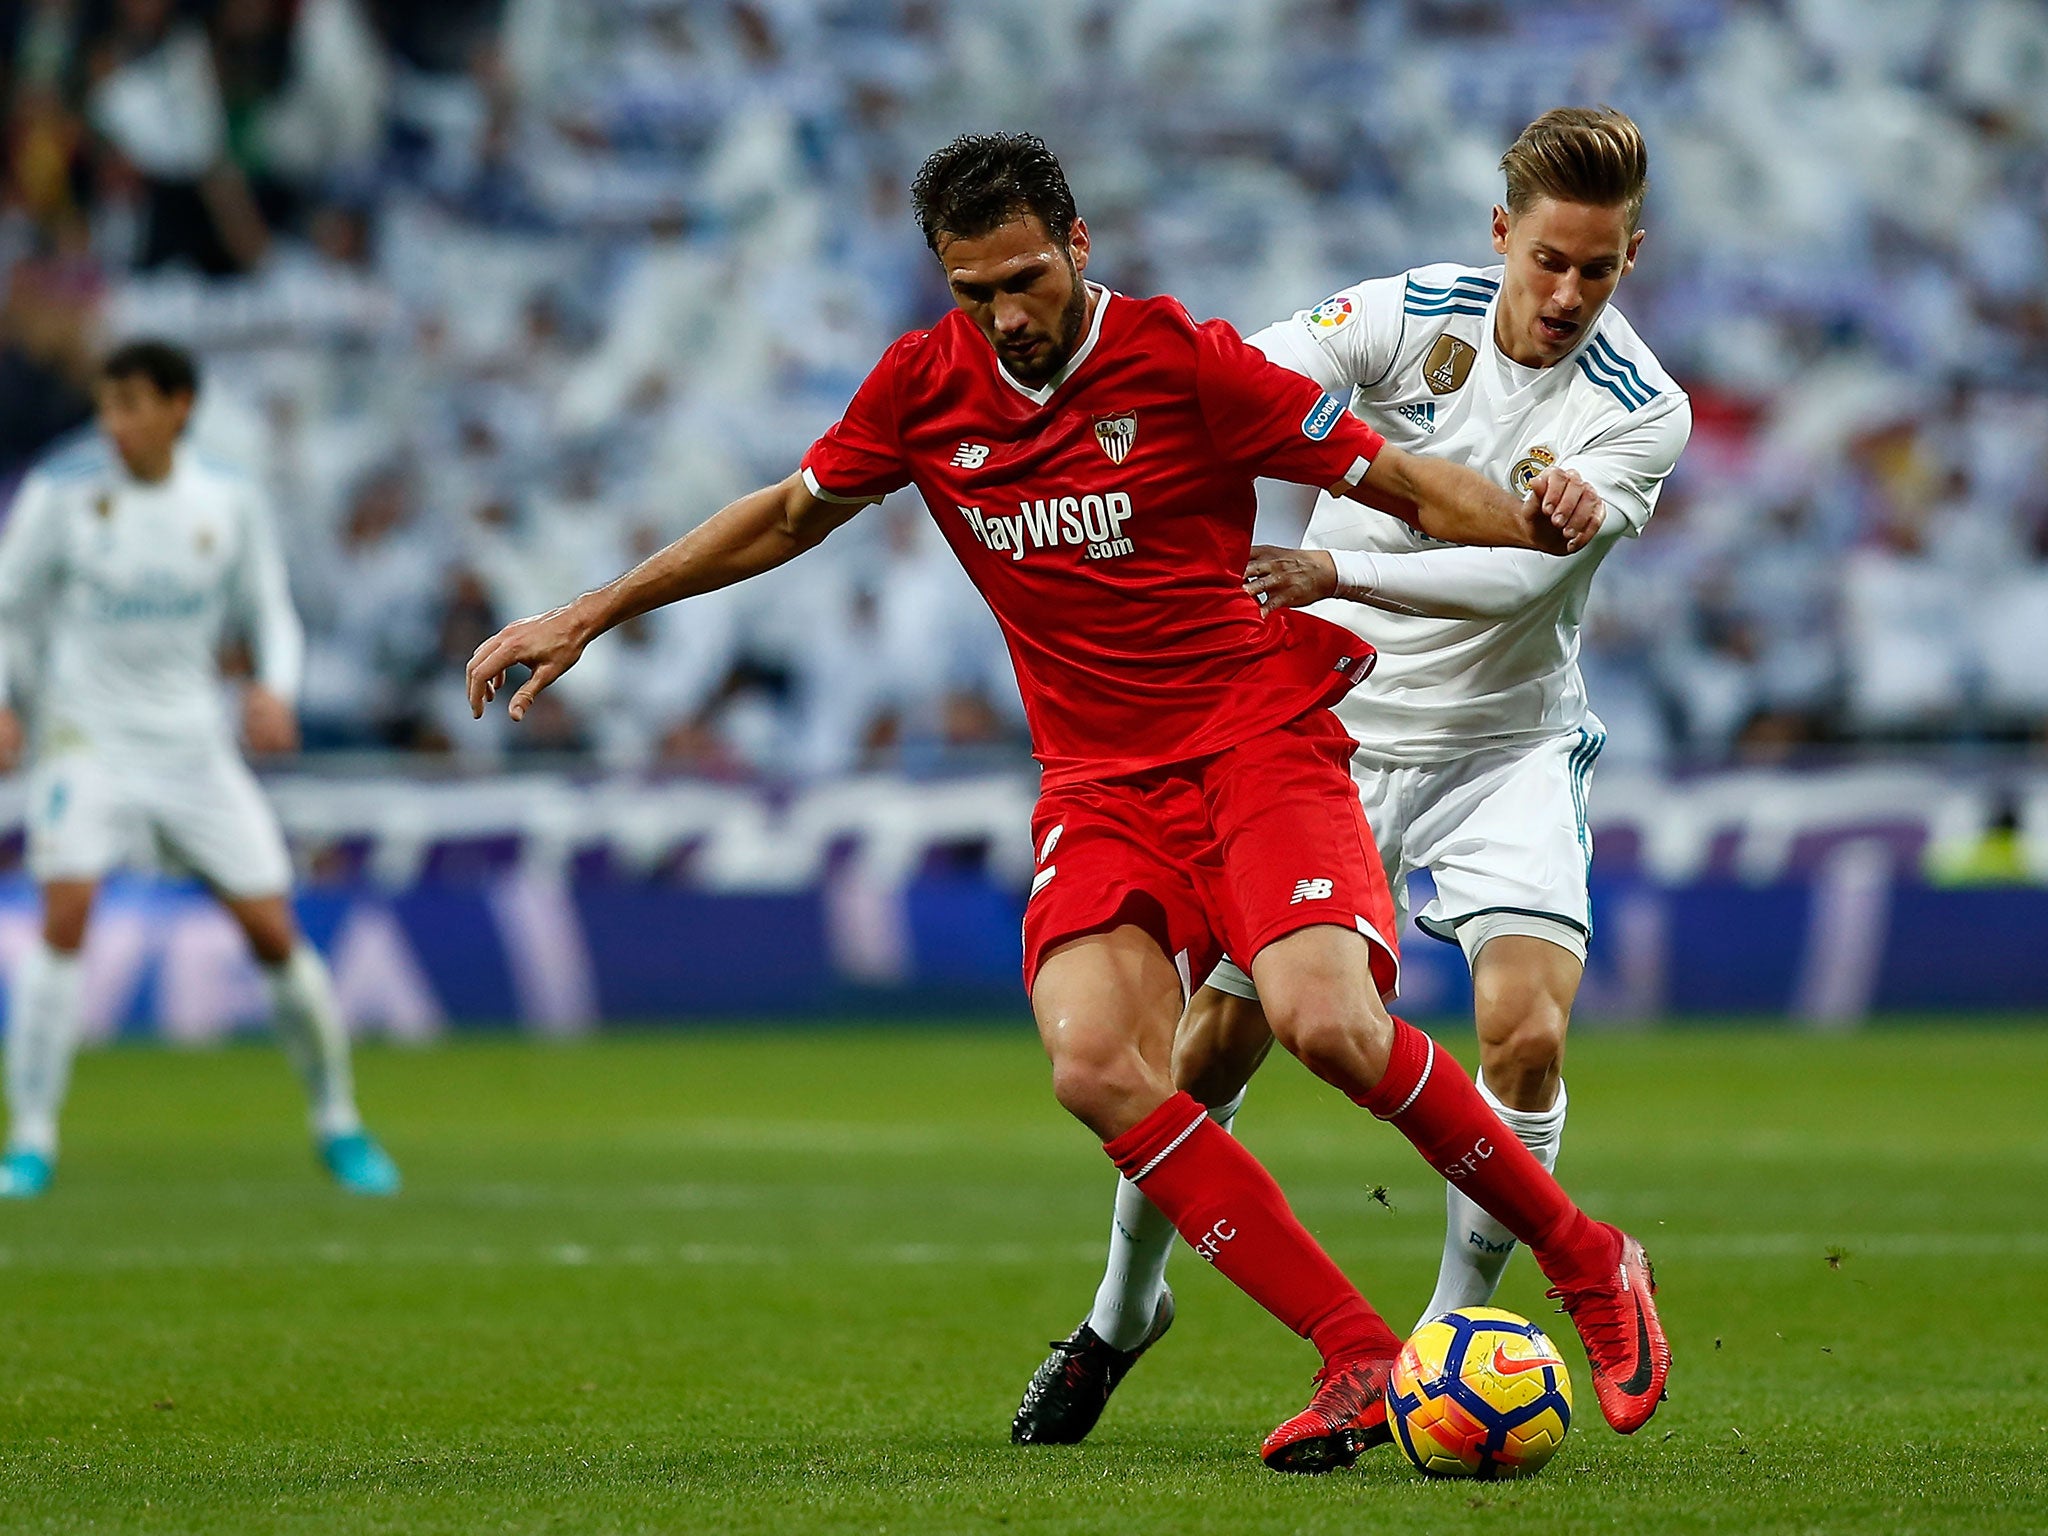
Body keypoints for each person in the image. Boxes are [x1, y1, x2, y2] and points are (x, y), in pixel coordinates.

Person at [464, 132, 1666, 1471]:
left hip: (1258, 740)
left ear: (1078, 246)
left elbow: (1393, 478)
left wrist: (1527, 522)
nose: (1009, 315)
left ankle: (1587, 1254)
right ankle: (1355, 1352)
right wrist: (596, 609)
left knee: (1330, 1026)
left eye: (1028, 278)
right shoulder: (925, 388)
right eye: (976, 290)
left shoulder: (1187, 361)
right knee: (1099, 1067)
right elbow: (792, 514)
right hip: (1101, 784)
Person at [1013, 107, 1691, 1449]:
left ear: (1631, 259)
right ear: (1503, 236)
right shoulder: (1398, 316)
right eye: (1549, 260)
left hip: (1508, 740)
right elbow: (1226, 389)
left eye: (1599, 270)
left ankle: (1445, 1348)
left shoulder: (1639, 409)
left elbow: (1518, 577)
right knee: (1206, 1051)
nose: (1567, 295)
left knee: (1528, 1033)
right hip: (1320, 732)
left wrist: (1338, 566)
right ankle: (1118, 1313)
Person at [0, 340, 400, 1199]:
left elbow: (272, 613)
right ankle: (29, 1140)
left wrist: (274, 690)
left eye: (133, 406)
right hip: (87, 742)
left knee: (273, 933)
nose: (116, 425)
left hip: (192, 748)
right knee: (64, 915)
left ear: (179, 408)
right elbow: (8, 608)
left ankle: (339, 1121)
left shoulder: (228, 499)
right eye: (107, 407)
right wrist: (7, 702)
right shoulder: (59, 497)